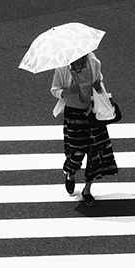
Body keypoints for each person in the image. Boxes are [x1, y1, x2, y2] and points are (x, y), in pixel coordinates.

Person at [54, 52, 118, 202]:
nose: (78, 59)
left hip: (92, 113)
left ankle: (87, 190)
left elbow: (100, 82)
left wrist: (99, 87)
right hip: (74, 115)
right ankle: (70, 173)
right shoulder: (62, 69)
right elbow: (54, 90)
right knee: (76, 151)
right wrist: (68, 91)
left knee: (96, 152)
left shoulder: (94, 64)